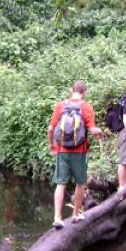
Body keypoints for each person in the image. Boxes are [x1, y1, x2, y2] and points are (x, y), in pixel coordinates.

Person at [47, 80, 103, 229]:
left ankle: (57, 218)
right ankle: (76, 215)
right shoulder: (86, 107)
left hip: (62, 150)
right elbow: (92, 130)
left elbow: (50, 129)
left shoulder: (61, 106)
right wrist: (99, 133)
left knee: (61, 184)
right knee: (80, 184)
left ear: (71, 90)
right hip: (79, 152)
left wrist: (52, 145)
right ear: (85, 92)